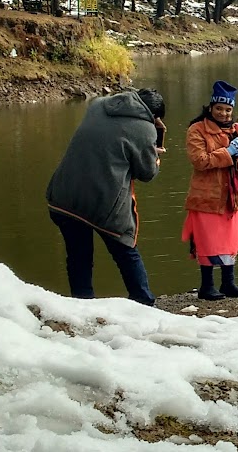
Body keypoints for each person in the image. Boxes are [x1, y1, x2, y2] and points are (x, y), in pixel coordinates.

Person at [45, 88, 166, 305]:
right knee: (126, 250)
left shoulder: (99, 104)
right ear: (154, 116)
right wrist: (155, 150)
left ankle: (83, 305)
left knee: (78, 256)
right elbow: (146, 173)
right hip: (104, 204)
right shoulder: (146, 130)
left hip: (63, 195)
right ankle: (144, 301)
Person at [181, 80, 238, 300]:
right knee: (207, 243)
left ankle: (228, 284)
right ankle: (206, 287)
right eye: (219, 109)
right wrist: (228, 153)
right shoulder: (196, 130)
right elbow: (200, 161)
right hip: (205, 197)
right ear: (211, 108)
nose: (224, 114)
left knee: (230, 242)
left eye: (228, 110)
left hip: (233, 197)